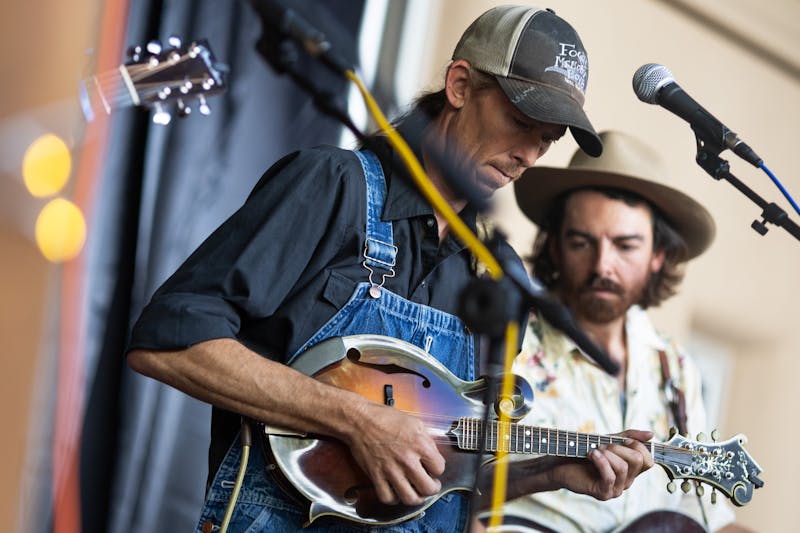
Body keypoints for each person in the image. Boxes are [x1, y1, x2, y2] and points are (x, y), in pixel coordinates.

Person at [126, 7, 654, 533]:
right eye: (521, 123)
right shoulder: (333, 186)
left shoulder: (499, 274)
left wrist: (548, 472)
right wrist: (357, 419)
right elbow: (168, 341)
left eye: (548, 138)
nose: (528, 155)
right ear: (461, 85)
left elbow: (448, 470)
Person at [485, 130, 752, 532]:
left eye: (625, 246)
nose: (602, 267)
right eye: (582, 242)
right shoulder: (506, 343)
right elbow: (452, 486)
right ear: (555, 246)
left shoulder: (675, 369)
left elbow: (708, 517)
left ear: (658, 255)